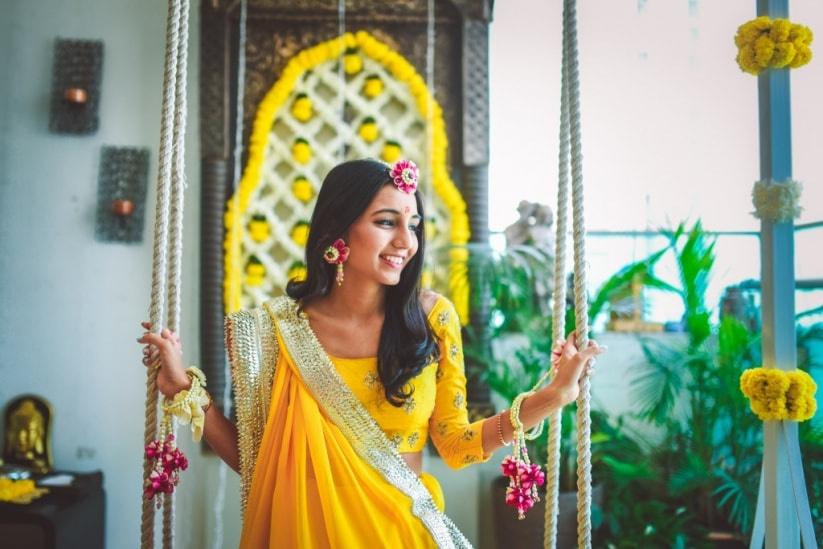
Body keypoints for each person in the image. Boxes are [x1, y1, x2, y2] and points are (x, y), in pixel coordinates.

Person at [138, 158, 603, 548]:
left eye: (413, 224)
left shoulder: (432, 320)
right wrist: (184, 391)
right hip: (304, 535)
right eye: (386, 222)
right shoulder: (270, 331)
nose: (406, 241)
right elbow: (260, 463)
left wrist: (554, 397)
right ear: (337, 231)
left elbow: (457, 447)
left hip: (402, 534)